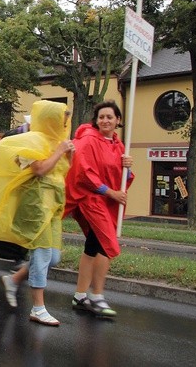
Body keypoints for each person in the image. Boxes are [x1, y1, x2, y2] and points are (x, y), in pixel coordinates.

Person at [0, 100, 74, 326]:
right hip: (34, 207)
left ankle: (14, 279)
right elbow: (39, 169)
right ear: (50, 120)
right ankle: (38, 308)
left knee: (53, 257)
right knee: (43, 253)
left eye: (66, 120)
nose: (65, 123)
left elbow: (61, 171)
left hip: (53, 206)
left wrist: (67, 154)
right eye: (62, 119)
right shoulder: (26, 143)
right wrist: (59, 152)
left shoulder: (57, 143)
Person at [65, 100, 134, 318]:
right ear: (96, 120)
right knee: (105, 243)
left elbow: (119, 176)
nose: (105, 120)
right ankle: (96, 295)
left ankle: (81, 295)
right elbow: (84, 172)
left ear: (118, 121)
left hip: (108, 202)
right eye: (101, 117)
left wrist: (128, 169)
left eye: (109, 117)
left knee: (93, 245)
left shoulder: (118, 145)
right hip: (92, 199)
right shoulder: (88, 140)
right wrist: (109, 192)